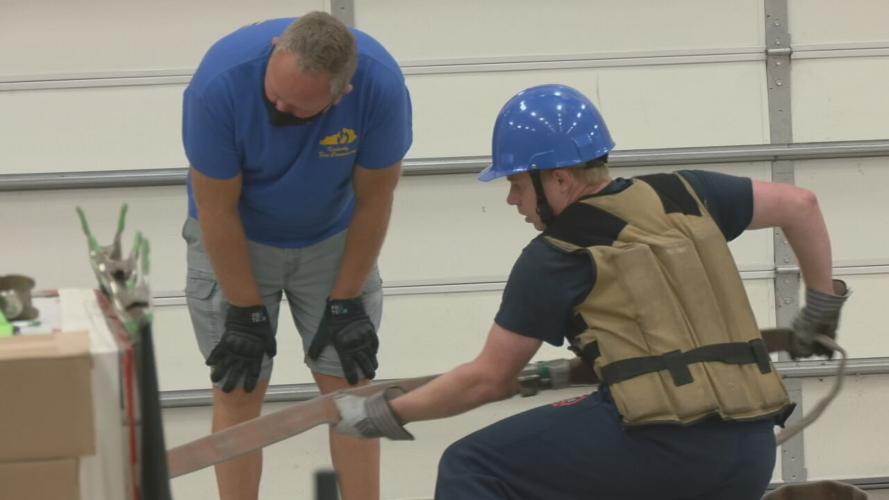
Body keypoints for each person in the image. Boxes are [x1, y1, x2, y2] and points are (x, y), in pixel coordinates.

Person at [331, 84, 850, 500]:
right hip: (751, 450)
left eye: (517, 184)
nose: (512, 201)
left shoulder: (557, 254)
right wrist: (821, 309)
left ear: (558, 180)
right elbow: (800, 205)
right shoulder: (687, 192)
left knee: (473, 466)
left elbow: (487, 380)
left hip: (662, 444)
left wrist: (388, 413)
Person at [181, 12, 411, 500]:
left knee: (351, 387)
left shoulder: (381, 88)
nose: (279, 107)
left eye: (296, 105)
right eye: (274, 94)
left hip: (331, 238)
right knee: (239, 385)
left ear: (340, 94)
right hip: (235, 236)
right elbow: (217, 209)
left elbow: (375, 200)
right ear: (274, 48)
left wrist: (346, 299)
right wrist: (244, 310)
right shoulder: (219, 85)